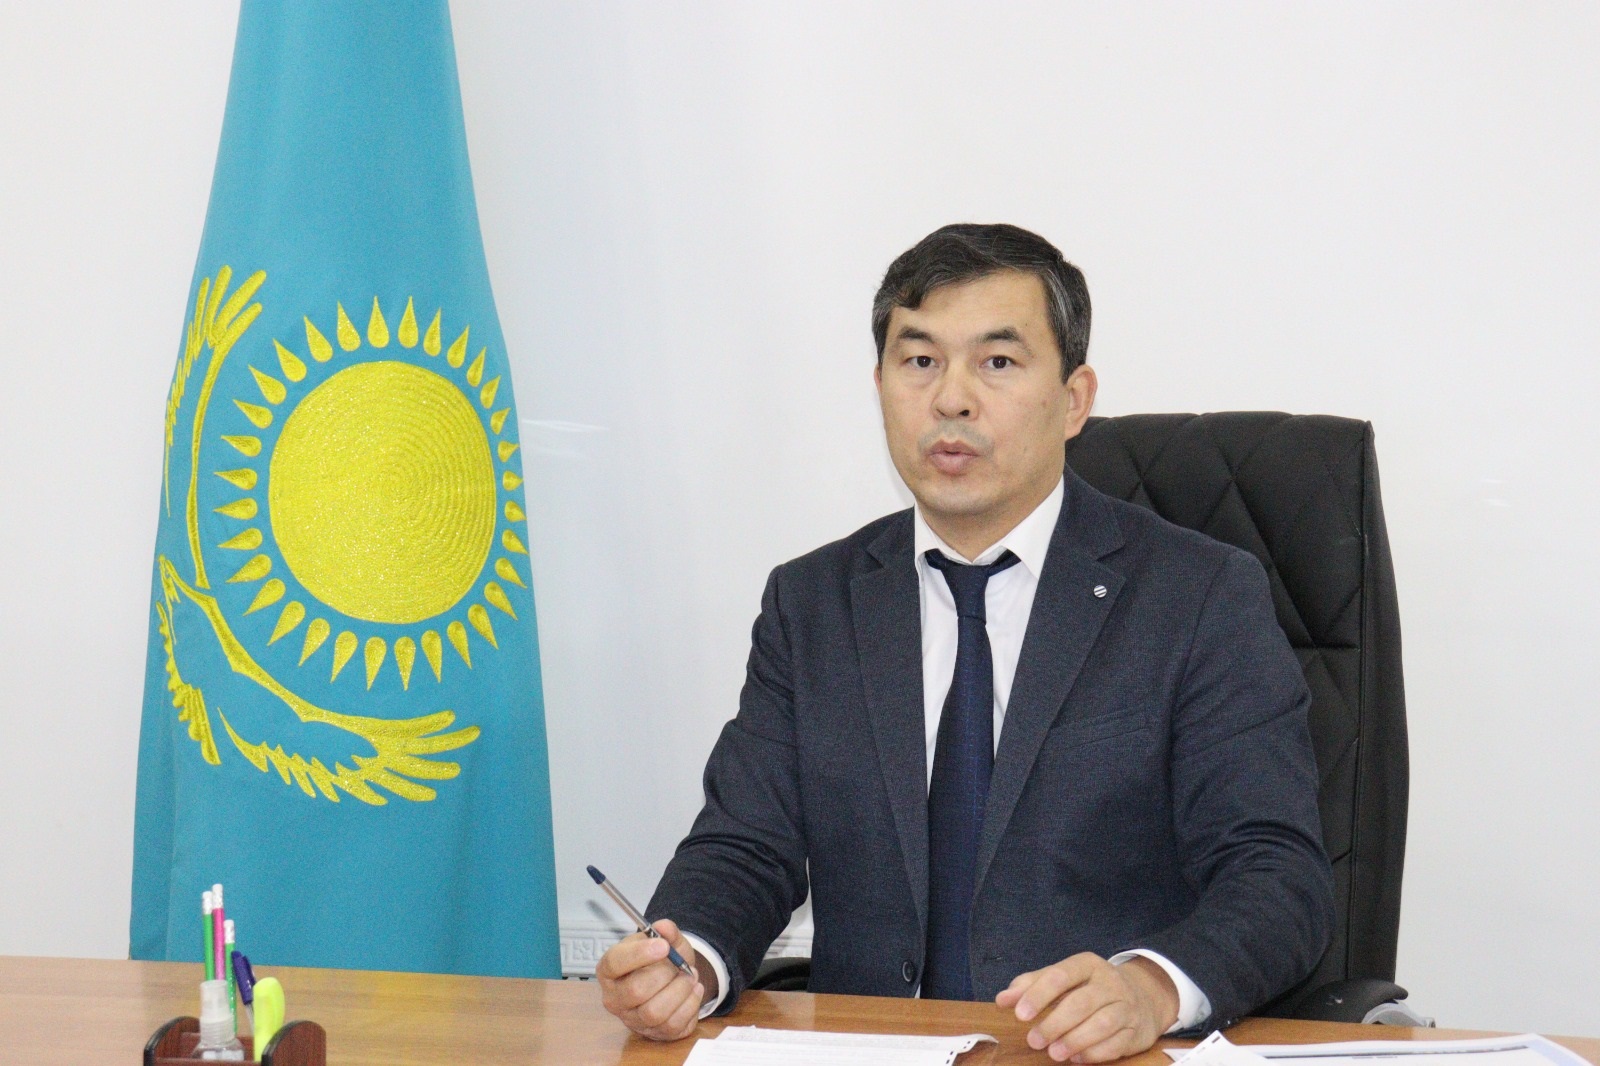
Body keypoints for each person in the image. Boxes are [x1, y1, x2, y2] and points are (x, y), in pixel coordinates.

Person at [596, 224, 1334, 1062]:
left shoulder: (1197, 596)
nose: (951, 399)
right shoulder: (813, 603)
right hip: (872, 1051)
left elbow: (1277, 874)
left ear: (1075, 399)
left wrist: (1152, 988)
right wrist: (689, 958)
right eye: (920, 361)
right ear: (880, 386)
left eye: (998, 362)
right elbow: (745, 846)